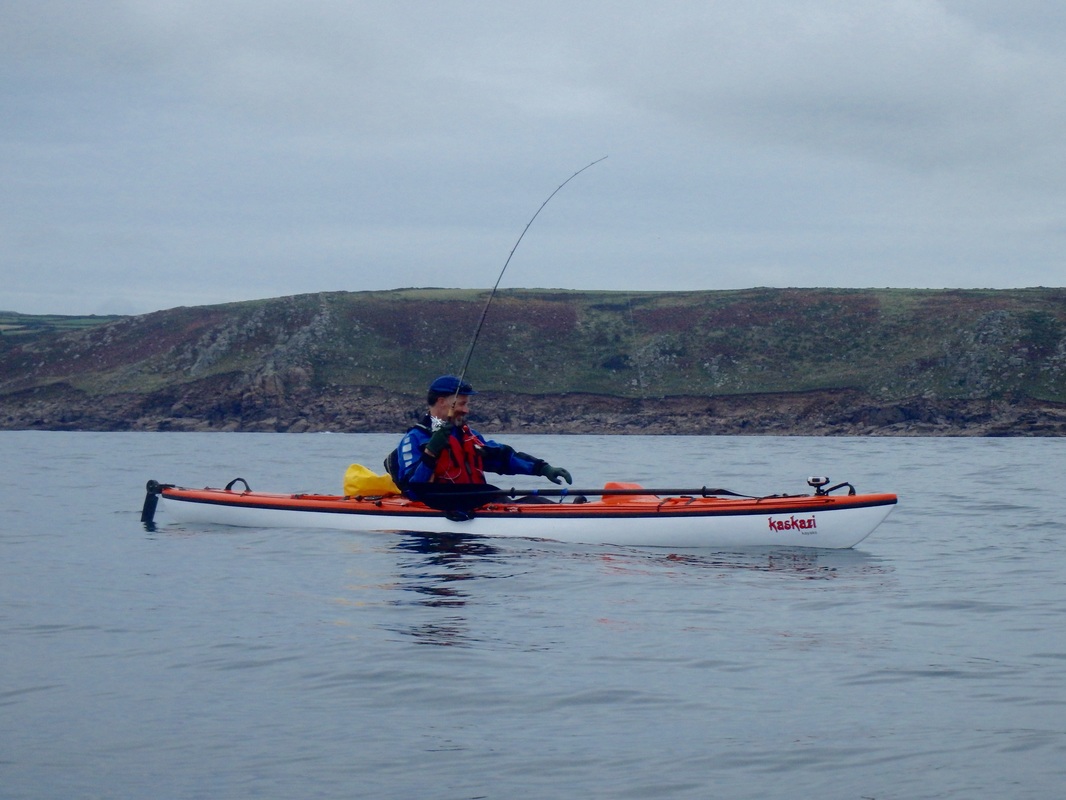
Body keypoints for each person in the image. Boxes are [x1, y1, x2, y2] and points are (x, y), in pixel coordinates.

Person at [386, 374, 571, 501]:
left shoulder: (469, 435)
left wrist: (542, 468)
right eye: (462, 404)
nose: (467, 410)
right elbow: (414, 488)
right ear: (442, 402)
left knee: (534, 501)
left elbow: (502, 458)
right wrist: (431, 452)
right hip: (441, 504)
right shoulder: (414, 439)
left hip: (475, 501)